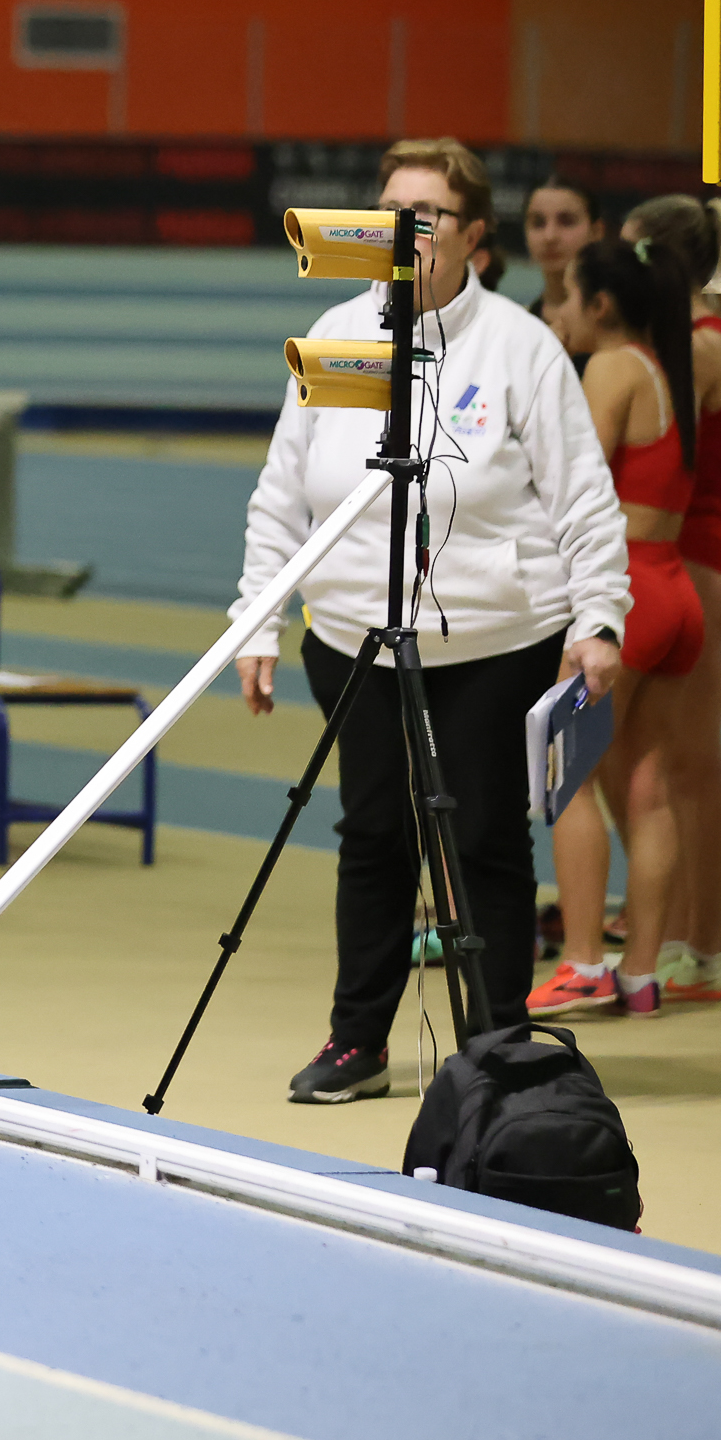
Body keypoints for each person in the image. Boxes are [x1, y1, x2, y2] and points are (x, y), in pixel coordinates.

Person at [235, 138, 626, 1103]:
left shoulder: (521, 348)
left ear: (474, 236)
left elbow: (583, 497)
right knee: (373, 835)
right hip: (353, 638)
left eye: (428, 217)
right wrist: (257, 621)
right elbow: (282, 494)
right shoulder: (336, 334)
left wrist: (599, 617)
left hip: (498, 640)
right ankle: (356, 1042)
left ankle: (494, 1047)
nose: (403, 235)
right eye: (388, 216)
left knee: (485, 836)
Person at [528, 235, 720, 1020]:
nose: (562, 311)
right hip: (675, 590)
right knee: (647, 786)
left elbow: (575, 481)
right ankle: (640, 974)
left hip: (629, 592)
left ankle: (582, 962)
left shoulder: (609, 366)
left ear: (600, 305)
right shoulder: (668, 365)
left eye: (570, 298)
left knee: (564, 772)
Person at [629, 194, 721, 1002]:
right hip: (699, 551)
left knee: (687, 766)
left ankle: (701, 949)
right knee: (681, 764)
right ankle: (685, 941)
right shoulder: (717, 332)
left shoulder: (703, 345)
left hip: (698, 557)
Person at [521, 178, 600, 350]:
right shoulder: (517, 327)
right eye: (538, 223)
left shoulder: (620, 329)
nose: (550, 236)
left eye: (566, 221)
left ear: (596, 231)